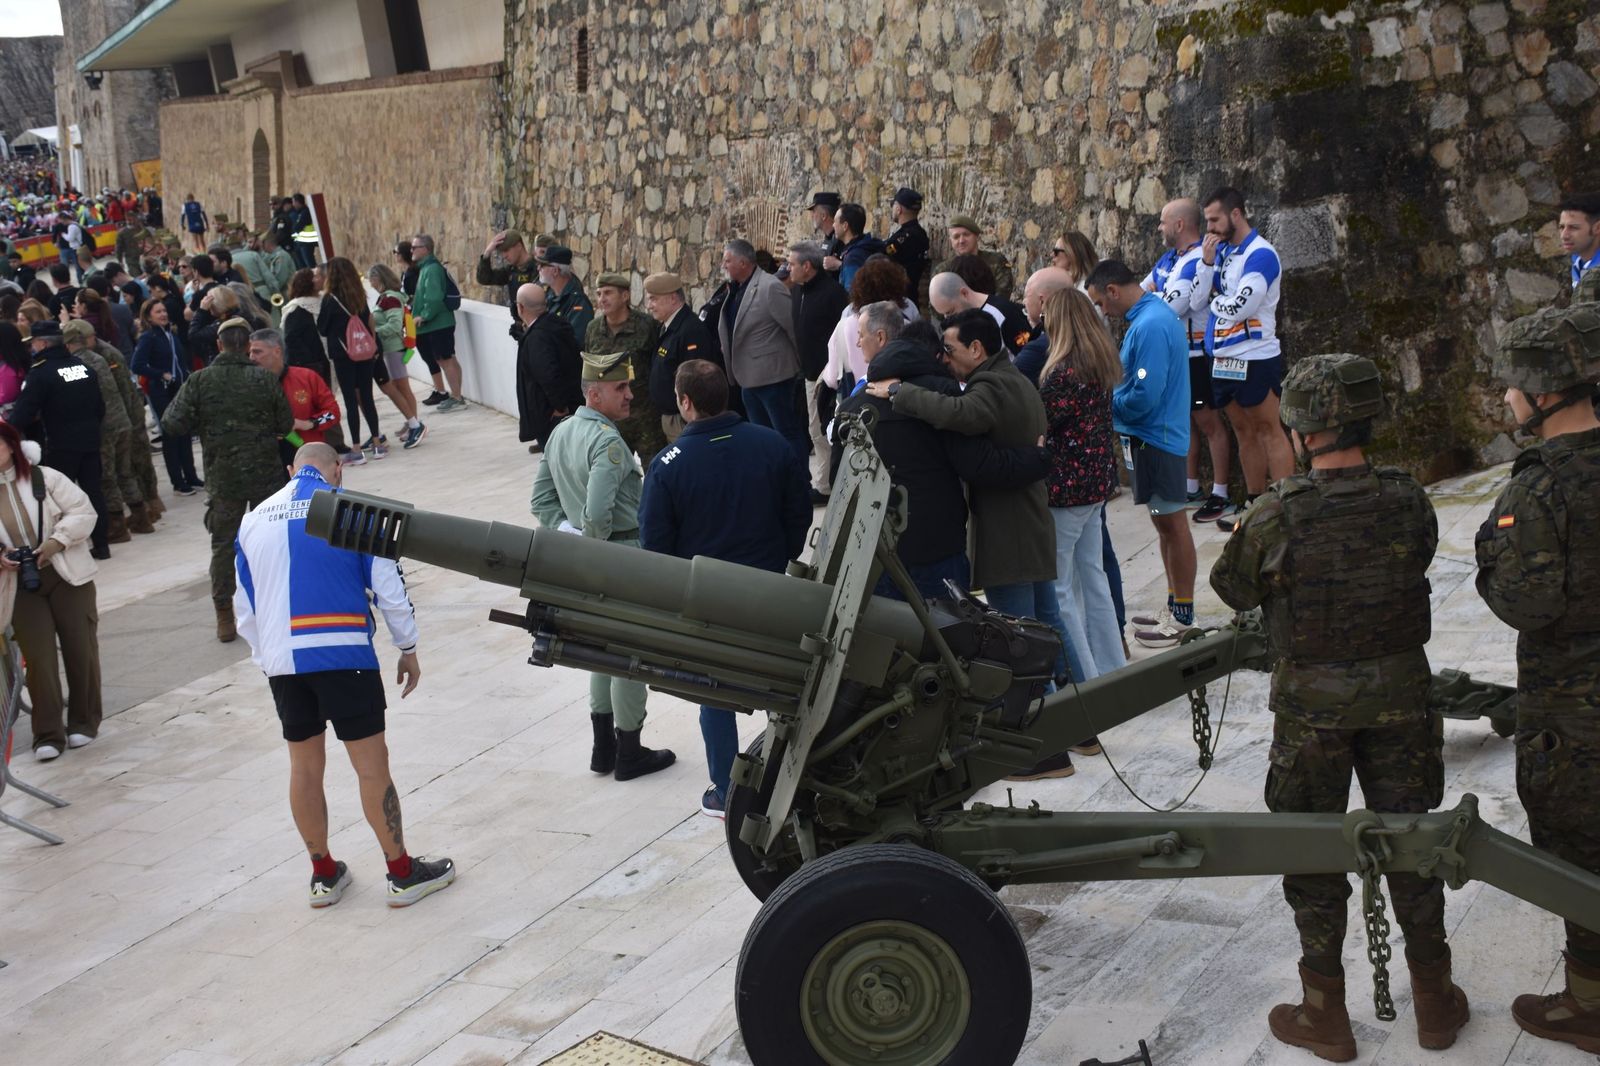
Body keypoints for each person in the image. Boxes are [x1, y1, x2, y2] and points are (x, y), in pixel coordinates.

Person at [1212, 354, 1462, 1061]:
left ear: (1299, 427)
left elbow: (1233, 589)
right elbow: (1418, 554)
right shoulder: (1408, 497)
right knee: (1416, 841)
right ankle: (1436, 1003)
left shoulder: (1273, 515)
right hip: (1402, 701)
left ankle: (1325, 1012)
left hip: (1311, 712)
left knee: (1312, 850)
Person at [234, 442, 456, 908]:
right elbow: (389, 589)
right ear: (338, 471)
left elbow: (244, 607)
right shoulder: (354, 511)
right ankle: (401, 874)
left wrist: (267, 657)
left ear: (290, 470)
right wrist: (408, 647)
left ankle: (323, 875)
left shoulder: (252, 520)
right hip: (344, 656)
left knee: (304, 768)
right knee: (372, 766)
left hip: (285, 664)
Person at [1473, 303, 1600, 1054]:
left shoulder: (1536, 490)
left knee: (1580, 853)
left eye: (1511, 383)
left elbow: (1526, 601)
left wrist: (1492, 558)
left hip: (1574, 711)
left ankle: (1588, 1001)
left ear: (1539, 390)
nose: (1507, 397)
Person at [866, 308, 1070, 763]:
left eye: (952, 351)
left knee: (1018, 645)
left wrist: (900, 392)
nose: (946, 361)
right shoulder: (1013, 377)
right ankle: (1076, 722)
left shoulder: (990, 385)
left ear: (977, 349)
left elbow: (961, 415)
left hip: (1010, 533)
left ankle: (1048, 747)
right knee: (1046, 628)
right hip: (1027, 526)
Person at [640, 359, 810, 817]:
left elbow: (654, 546)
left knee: (713, 691)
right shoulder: (771, 444)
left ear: (685, 401)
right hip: (770, 586)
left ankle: (725, 789)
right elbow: (799, 514)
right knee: (784, 683)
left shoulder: (666, 464)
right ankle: (793, 775)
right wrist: (779, 558)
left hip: (707, 600)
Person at [531, 351, 676, 782]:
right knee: (631, 655)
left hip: (589, 560)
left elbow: (541, 501)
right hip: (620, 556)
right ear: (594, 394)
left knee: (600, 651)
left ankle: (604, 749)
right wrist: (592, 542)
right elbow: (598, 514)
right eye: (620, 388)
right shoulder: (608, 441)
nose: (630, 395)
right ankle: (629, 751)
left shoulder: (561, 433)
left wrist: (571, 537)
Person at [836, 307, 1047, 602]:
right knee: (950, 638)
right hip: (938, 546)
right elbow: (979, 466)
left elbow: (839, 483)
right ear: (934, 356)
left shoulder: (851, 405)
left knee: (888, 642)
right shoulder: (946, 394)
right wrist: (1037, 459)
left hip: (873, 550)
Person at [1086, 259, 1197, 649]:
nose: (1102, 311)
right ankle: (1174, 604)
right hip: (1150, 439)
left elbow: (1145, 392)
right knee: (1163, 525)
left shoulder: (1149, 326)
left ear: (1113, 290)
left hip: (1158, 440)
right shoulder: (1146, 319)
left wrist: (1105, 406)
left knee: (1172, 525)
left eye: (1101, 303)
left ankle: (1182, 615)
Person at [160, 317, 293, 642]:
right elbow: (286, 423)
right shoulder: (263, 379)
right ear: (248, 345)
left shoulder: (200, 381)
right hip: (266, 478)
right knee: (272, 543)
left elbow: (171, 423)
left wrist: (206, 426)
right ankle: (277, 608)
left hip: (223, 479)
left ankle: (225, 617)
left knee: (223, 547)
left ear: (218, 345)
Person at [0, 421, 103, 761]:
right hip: (18, 586)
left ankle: (84, 723)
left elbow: (84, 511)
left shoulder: (45, 477)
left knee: (80, 648)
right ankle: (47, 733)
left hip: (67, 573)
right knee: (39, 660)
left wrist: (56, 542)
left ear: (12, 444)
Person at [1191, 187, 1293, 529]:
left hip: (1254, 355)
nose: (1210, 228)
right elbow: (1195, 302)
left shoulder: (1260, 254)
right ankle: (1254, 503)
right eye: (1207, 221)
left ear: (1236, 214)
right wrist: (1206, 266)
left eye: (1214, 219)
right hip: (1221, 357)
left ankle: (1284, 504)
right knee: (1242, 431)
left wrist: (1216, 299)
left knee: (1268, 429)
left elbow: (1241, 307)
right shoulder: (1219, 253)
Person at [1038, 289, 1125, 683]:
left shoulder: (1061, 374)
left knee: (1060, 590)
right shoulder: (1099, 362)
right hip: (1096, 484)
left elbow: (1038, 423)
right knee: (1094, 579)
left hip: (1066, 490)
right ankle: (1111, 668)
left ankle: (1085, 678)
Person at [1145, 197, 1236, 525]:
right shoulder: (1170, 259)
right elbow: (1139, 298)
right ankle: (1190, 486)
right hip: (1175, 354)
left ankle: (1221, 493)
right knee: (1184, 422)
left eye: (1163, 221)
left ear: (1179, 225)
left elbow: (1173, 308)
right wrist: (1157, 298)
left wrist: (1156, 298)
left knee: (1209, 422)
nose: (1159, 227)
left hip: (1196, 355)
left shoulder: (1198, 258)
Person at [10, 321, 109, 559]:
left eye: (33, 343)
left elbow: (23, 413)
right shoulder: (82, 366)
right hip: (90, 439)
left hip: (61, 444)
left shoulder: (41, 373)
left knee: (58, 498)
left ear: (42, 343)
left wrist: (7, 431)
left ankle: (63, 545)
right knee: (93, 492)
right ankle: (102, 544)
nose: (32, 348)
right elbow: (100, 407)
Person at [717, 239, 807, 462]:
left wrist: (800, 367)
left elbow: (792, 328)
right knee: (761, 437)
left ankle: (799, 482)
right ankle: (772, 482)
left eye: (727, 260)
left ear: (743, 262)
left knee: (786, 432)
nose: (724, 265)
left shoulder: (770, 287)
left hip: (774, 378)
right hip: (747, 379)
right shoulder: (734, 289)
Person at [61, 320, 148, 542]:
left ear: (70, 343)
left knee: (106, 478)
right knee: (125, 472)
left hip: (104, 428)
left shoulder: (76, 365)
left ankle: (117, 526)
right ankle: (141, 517)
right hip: (122, 422)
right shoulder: (100, 358)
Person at [788, 241, 849, 503]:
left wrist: (831, 371)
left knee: (827, 429)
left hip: (830, 376)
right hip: (809, 373)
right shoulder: (798, 292)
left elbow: (843, 336)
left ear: (807, 266)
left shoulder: (833, 294)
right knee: (815, 430)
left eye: (791, 264)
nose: (787, 268)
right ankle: (824, 483)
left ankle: (826, 485)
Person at [586, 272, 666, 468]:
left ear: (624, 296)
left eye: (607, 293)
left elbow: (660, 367)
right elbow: (590, 374)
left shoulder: (647, 325)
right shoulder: (593, 329)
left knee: (656, 473)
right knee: (614, 476)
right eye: (598, 294)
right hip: (611, 421)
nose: (602, 299)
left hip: (646, 418)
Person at [131, 298, 200, 496]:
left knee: (184, 432)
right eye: (158, 312)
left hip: (179, 388)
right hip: (161, 391)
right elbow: (137, 365)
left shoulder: (169, 334)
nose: (163, 314)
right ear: (148, 316)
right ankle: (178, 482)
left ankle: (191, 475)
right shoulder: (148, 338)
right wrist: (161, 374)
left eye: (164, 311)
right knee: (171, 435)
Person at [317, 258, 385, 458]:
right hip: (364, 352)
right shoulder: (359, 296)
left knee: (350, 400)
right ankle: (376, 442)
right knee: (367, 397)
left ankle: (356, 447)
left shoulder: (330, 299)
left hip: (343, 355)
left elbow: (322, 328)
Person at [247, 328, 342, 467]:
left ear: (277, 351)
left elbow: (333, 413)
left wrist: (308, 423)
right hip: (266, 463)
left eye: (257, 352)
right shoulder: (247, 385)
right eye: (250, 352)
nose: (251, 357)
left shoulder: (306, 377)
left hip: (306, 457)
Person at [823, 256, 916, 395]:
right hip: (896, 399)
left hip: (854, 402)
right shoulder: (907, 323)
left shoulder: (845, 324)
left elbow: (832, 379)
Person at [643, 272, 717, 445]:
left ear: (672, 298)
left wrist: (691, 419)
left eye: (653, 299)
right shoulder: (671, 326)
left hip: (684, 420)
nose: (649, 306)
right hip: (672, 416)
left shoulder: (690, 331)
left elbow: (697, 380)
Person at [514, 282, 582, 450]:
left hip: (552, 417)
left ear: (520, 308)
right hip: (570, 409)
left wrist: (559, 407)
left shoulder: (538, 337)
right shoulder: (555, 325)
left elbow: (548, 374)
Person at [367, 264, 426, 449]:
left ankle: (414, 424)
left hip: (394, 349)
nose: (370, 283)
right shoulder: (388, 298)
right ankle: (411, 422)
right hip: (393, 349)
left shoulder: (390, 299)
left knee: (402, 387)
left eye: (372, 278)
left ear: (379, 278)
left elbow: (393, 326)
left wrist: (372, 333)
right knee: (401, 387)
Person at [410, 235, 467, 412]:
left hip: (438, 323)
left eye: (415, 247)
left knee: (445, 360)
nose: (411, 250)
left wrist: (424, 316)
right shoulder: (428, 268)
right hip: (440, 323)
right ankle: (457, 396)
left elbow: (433, 297)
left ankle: (456, 398)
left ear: (425, 249)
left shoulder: (432, 269)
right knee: (448, 358)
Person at [1014, 266, 1076, 386]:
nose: (1024, 302)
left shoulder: (1040, 347)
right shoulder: (1093, 336)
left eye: (1026, 295)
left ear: (1042, 301)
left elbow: (1008, 386)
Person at [477, 229, 540, 337]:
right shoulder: (511, 271)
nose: (504, 255)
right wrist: (487, 253)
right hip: (521, 328)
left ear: (519, 246)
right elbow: (484, 279)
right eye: (501, 252)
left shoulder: (537, 268)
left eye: (507, 250)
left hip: (536, 327)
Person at [933, 215, 1014, 298]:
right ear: (951, 241)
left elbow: (1002, 297)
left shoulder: (996, 261)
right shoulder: (942, 271)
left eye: (966, 235)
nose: (961, 241)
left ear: (976, 236)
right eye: (956, 237)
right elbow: (937, 303)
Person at [280, 268, 331, 384]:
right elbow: (291, 338)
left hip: (323, 358)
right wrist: (311, 361)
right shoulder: (297, 308)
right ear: (307, 282)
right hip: (310, 363)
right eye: (315, 277)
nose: (320, 279)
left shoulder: (324, 299)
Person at [539, 244, 593, 345]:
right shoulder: (549, 295)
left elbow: (574, 343)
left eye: (543, 265)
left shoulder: (578, 303)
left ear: (555, 271)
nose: (538, 269)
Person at [883, 187, 930, 302]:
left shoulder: (904, 237)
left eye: (893, 205)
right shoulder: (920, 233)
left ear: (898, 209)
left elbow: (885, 252)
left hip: (901, 297)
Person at [833, 202, 886, 290]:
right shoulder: (870, 246)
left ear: (845, 226)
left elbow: (852, 294)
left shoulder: (853, 257)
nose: (833, 225)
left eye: (835, 221)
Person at [1558, 192, 1600, 293]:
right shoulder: (1576, 259)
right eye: (1561, 227)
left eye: (1573, 227)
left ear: (1598, 228)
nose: (1564, 235)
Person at [808, 191, 845, 272]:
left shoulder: (841, 240)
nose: (811, 215)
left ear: (823, 216)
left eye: (814, 211)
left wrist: (838, 264)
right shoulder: (828, 238)